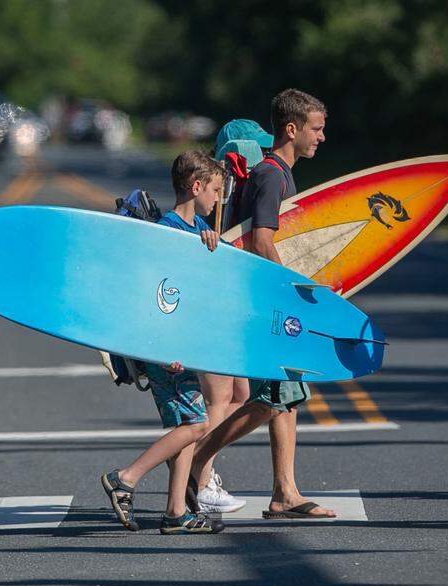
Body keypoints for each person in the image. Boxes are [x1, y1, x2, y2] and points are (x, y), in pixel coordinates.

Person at [186, 89, 337, 520]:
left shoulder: (279, 173)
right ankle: (199, 458)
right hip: (264, 303)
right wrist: (294, 290)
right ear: (291, 129)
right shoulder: (272, 175)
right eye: (316, 128)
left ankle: (284, 491)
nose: (321, 137)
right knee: (274, 397)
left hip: (266, 301)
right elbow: (262, 242)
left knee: (286, 397)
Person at [100, 150, 226, 534]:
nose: (220, 199)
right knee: (197, 425)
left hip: (180, 346)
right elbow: (159, 296)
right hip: (164, 347)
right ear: (197, 186)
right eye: (217, 190)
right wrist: (166, 349)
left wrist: (209, 249)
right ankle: (126, 477)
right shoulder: (168, 232)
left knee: (186, 424)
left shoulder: (194, 232)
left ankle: (175, 513)